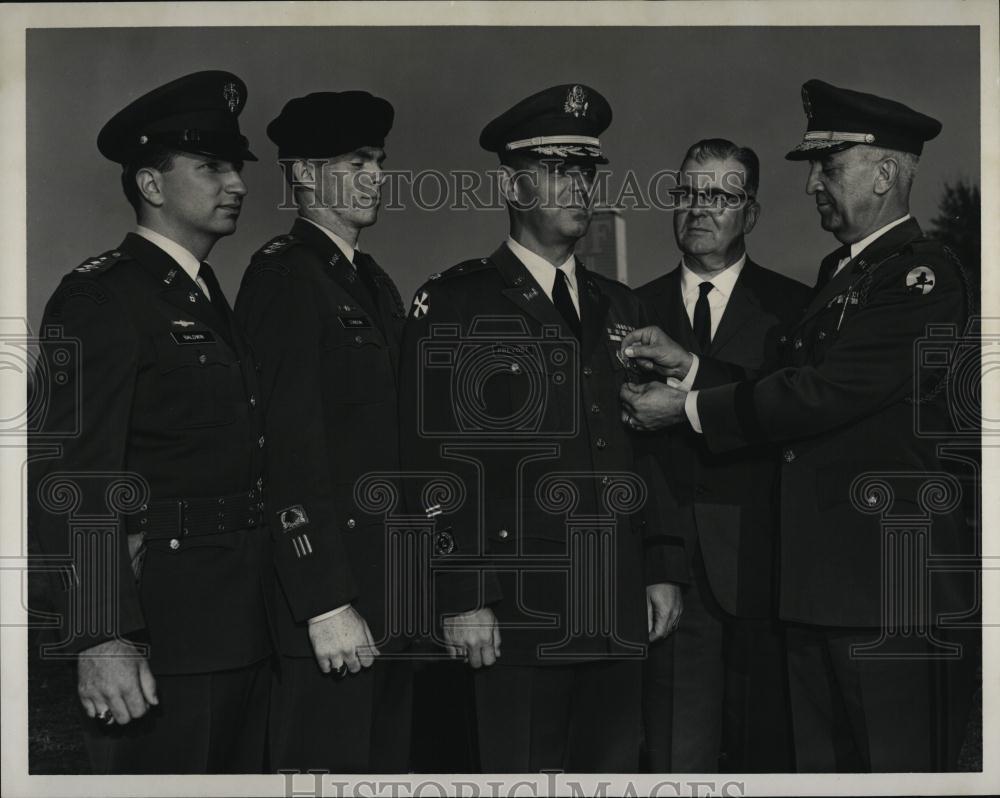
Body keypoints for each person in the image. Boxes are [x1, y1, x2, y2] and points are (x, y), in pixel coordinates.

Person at [620, 79, 972, 772]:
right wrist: (693, 368)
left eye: (829, 167)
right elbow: (780, 388)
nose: (813, 184)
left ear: (886, 172)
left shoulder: (918, 278)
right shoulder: (845, 277)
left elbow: (822, 393)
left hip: (882, 594)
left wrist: (686, 404)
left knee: (890, 774)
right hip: (821, 594)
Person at [398, 84, 687, 773]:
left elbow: (648, 450)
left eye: (587, 170)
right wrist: (462, 594)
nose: (578, 186)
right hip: (517, 612)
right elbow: (431, 460)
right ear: (512, 182)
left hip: (615, 601)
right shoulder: (459, 301)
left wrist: (662, 565)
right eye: (558, 168)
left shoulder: (621, 306)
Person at [29, 71, 271, 773]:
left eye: (237, 166)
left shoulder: (203, 295)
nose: (238, 184)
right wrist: (102, 637)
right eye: (212, 166)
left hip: (240, 630)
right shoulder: (103, 298)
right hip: (159, 642)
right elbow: (74, 474)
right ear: (152, 184)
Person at [235, 90, 412, 773]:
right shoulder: (284, 277)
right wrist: (323, 600)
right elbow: (284, 449)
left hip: (390, 597)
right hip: (334, 607)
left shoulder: (369, 280)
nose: (376, 175)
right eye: (356, 160)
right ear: (304, 175)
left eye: (379, 160)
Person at [636, 138, 809, 772]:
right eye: (686, 194)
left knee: (773, 760)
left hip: (774, 576)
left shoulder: (794, 310)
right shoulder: (629, 309)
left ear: (752, 213)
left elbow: (783, 410)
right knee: (679, 761)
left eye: (720, 196)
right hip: (672, 581)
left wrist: (693, 378)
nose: (699, 209)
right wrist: (658, 560)